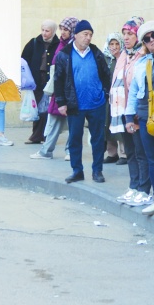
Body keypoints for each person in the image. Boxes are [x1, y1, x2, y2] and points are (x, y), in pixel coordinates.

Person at [54, 20, 111, 183]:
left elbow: (106, 74)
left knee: (98, 139)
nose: (88, 38)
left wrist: (105, 94)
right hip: (75, 105)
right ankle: (77, 170)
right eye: (85, 34)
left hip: (96, 104)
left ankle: (97, 171)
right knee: (75, 139)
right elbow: (58, 80)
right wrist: (61, 102)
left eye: (90, 35)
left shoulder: (95, 52)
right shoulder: (64, 54)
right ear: (76, 35)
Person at [125, 21, 154, 214]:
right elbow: (135, 91)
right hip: (145, 117)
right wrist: (129, 117)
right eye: (146, 38)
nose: (151, 40)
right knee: (152, 159)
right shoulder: (142, 63)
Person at [109, 19, 151, 205]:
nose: (126, 38)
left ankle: (144, 188)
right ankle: (134, 186)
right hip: (122, 113)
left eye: (130, 34)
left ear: (138, 36)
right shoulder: (123, 56)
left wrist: (133, 114)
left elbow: (137, 87)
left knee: (141, 152)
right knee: (131, 152)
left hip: (135, 112)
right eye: (124, 34)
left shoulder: (143, 55)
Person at [30, 16, 77, 159]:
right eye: (62, 28)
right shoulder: (62, 44)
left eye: (66, 29)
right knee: (54, 121)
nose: (63, 32)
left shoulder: (75, 45)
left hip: (71, 90)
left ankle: (70, 151)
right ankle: (46, 151)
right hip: (59, 89)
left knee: (73, 122)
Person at [21, 19, 60, 144]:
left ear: (53, 31)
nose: (44, 33)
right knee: (36, 108)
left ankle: (45, 136)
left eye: (47, 31)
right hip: (36, 81)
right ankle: (36, 135)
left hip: (50, 82)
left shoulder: (58, 44)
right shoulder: (34, 42)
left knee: (47, 110)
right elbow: (23, 60)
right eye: (42, 30)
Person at [102, 32, 124, 163]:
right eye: (111, 44)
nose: (114, 47)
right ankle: (112, 153)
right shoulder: (105, 59)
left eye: (117, 44)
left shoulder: (123, 58)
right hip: (107, 97)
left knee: (120, 125)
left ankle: (123, 154)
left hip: (119, 97)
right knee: (108, 124)